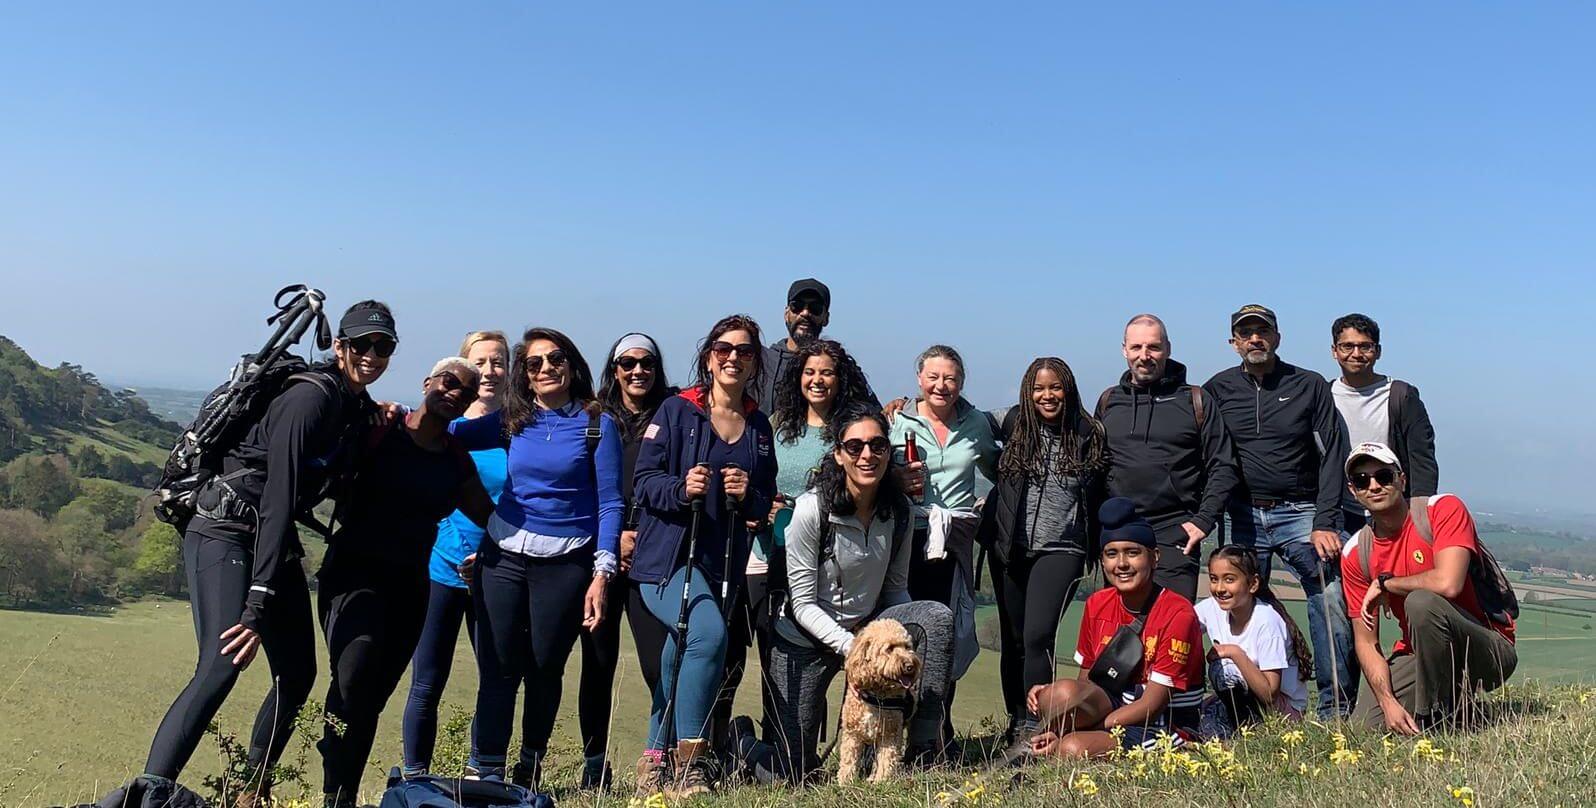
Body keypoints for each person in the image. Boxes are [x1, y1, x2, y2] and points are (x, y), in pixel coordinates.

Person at [143, 300, 388, 801]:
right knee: (220, 663)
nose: (373, 354)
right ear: (339, 346)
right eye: (362, 344)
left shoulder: (352, 407)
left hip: (263, 536)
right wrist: (256, 606)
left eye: (384, 347)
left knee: (298, 672)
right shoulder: (310, 400)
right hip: (224, 527)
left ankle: (247, 789)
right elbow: (278, 497)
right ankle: (149, 792)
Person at [448, 327, 625, 789]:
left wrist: (601, 574)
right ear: (524, 375)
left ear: (571, 364)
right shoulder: (512, 418)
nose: (546, 368)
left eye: (555, 359)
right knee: (498, 665)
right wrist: (413, 412)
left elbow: (610, 502)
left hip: (566, 561)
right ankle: (484, 769)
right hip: (502, 555)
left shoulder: (596, 423)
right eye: (534, 363)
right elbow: (452, 433)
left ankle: (529, 762)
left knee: (545, 665)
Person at [316, 358, 496, 807]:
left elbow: (493, 521)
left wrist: (492, 556)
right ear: (428, 383)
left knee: (372, 697)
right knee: (353, 678)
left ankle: (343, 796)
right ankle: (331, 787)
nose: (455, 392)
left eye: (466, 392)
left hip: (408, 588)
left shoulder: (455, 463)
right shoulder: (380, 432)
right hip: (353, 574)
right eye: (449, 382)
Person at [742, 407, 954, 782]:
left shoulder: (900, 512)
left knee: (935, 618)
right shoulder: (811, 510)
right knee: (789, 773)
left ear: (889, 452)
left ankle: (923, 746)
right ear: (838, 454)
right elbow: (803, 603)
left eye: (877, 445)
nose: (867, 455)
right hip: (803, 636)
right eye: (854, 446)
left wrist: (894, 646)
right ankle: (741, 741)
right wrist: (856, 649)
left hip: (865, 630)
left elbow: (895, 590)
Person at [629, 314, 778, 796]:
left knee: (679, 655)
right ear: (709, 356)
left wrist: (748, 494)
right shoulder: (676, 411)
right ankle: (690, 762)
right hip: (666, 561)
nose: (733, 357)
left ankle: (653, 757)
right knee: (708, 635)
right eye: (723, 349)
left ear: (756, 363)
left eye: (744, 351)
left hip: (722, 565)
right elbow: (644, 482)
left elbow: (764, 503)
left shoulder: (758, 426)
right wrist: (680, 488)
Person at [715, 339, 875, 763]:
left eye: (826, 372)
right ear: (797, 378)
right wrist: (759, 503)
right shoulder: (775, 425)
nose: (817, 380)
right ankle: (719, 744)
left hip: (822, 564)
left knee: (788, 663)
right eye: (809, 372)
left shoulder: (851, 432)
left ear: (841, 380)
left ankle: (782, 748)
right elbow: (754, 480)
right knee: (741, 651)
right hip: (765, 553)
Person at [1203, 304, 1356, 718]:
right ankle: (1246, 712)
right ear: (1233, 342)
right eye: (1246, 333)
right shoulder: (1216, 389)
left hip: (1301, 512)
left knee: (1329, 597)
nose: (1256, 339)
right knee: (1237, 609)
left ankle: (1335, 710)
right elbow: (1208, 455)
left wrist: (1326, 521)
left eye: (1263, 331)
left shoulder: (1309, 386)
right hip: (1242, 513)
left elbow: (1332, 454)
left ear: (1277, 337)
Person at [978, 357, 1110, 759]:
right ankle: (1016, 720)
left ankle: (1037, 727)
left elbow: (1104, 489)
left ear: (1068, 389)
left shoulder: (1088, 433)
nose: (1047, 396)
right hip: (1009, 548)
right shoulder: (1010, 422)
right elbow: (961, 418)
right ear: (1027, 392)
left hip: (1062, 549)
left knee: (1038, 638)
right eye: (1039, 388)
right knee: (1014, 640)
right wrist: (907, 406)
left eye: (1055, 388)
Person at [1340, 442, 1517, 735]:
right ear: (1352, 491)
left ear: (1402, 479)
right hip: (1419, 652)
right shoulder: (1356, 553)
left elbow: (1448, 583)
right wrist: (1387, 703)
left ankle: (1435, 717)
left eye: (1384, 476)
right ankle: (1460, 708)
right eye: (1362, 480)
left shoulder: (1441, 510)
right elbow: (1366, 642)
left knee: (1420, 602)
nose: (1373, 486)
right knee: (1364, 728)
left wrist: (1387, 583)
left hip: (1488, 648)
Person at [401, 332, 510, 779]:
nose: (489, 370)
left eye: (499, 361)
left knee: (496, 677)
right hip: (441, 567)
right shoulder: (440, 426)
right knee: (426, 682)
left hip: (498, 567)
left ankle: (480, 774)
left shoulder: (516, 428)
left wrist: (487, 553)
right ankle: (415, 777)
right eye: (480, 361)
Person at [1027, 498, 1204, 758]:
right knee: (1057, 694)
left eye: (1132, 552)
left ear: (1154, 558)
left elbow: (1153, 704)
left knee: (1072, 749)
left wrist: (1078, 732)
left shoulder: (1178, 613)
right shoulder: (1097, 604)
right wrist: (1056, 713)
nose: (1121, 564)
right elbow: (1086, 681)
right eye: (1111, 554)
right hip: (1113, 704)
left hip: (1161, 722)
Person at [889, 343, 1000, 752]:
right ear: (919, 379)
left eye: (950, 378)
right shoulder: (896, 421)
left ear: (962, 383)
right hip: (906, 538)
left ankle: (938, 727)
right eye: (933, 377)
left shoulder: (976, 424)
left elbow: (998, 467)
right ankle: (895, 730)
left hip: (953, 541)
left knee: (948, 634)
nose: (941, 385)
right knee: (904, 633)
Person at [577, 332, 675, 790]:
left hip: (654, 556)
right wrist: (613, 540)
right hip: (600, 554)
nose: (638, 371)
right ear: (613, 369)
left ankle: (660, 759)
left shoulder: (676, 414)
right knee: (597, 664)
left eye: (647, 364)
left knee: (658, 665)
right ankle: (595, 766)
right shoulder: (593, 416)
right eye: (628, 363)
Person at [1095, 313, 1238, 601]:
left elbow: (1223, 465)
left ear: (1168, 349)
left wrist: (1203, 520)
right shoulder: (1109, 401)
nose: (1144, 356)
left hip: (1175, 532)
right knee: (1119, 637)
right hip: (1119, 532)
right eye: (1136, 348)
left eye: (1153, 347)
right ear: (1124, 350)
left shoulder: (1195, 401)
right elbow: (1094, 467)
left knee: (1173, 632)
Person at [1329, 313, 1439, 533]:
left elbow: (1422, 457)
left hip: (1394, 510)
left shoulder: (1401, 395)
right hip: (1342, 513)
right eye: (1347, 346)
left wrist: (1420, 514)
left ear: (1378, 351)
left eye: (1365, 347)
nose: (1356, 354)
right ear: (1334, 351)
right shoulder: (1324, 395)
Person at [1195, 546, 1312, 739]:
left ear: (1253, 584)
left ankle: (1248, 733)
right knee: (1199, 720)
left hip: (1281, 713)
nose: (1220, 588)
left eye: (1229, 579)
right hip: (1247, 700)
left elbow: (1269, 694)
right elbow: (1182, 626)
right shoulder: (1212, 608)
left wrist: (1235, 653)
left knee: (1225, 668)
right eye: (1214, 579)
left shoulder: (1267, 621)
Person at [755, 278, 878, 406]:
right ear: (786, 313)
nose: (805, 313)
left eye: (815, 308)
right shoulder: (759, 362)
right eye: (797, 306)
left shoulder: (842, 366)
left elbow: (876, 413)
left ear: (826, 318)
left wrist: (893, 409)